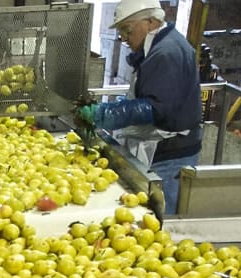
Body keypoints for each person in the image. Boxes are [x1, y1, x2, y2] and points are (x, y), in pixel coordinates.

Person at [77, 0, 202, 215]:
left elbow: (156, 108)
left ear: (151, 21)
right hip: (168, 147)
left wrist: (105, 114)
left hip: (171, 154)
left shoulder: (166, 53)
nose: (124, 38)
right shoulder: (161, 45)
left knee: (162, 219)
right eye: (122, 32)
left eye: (128, 29)